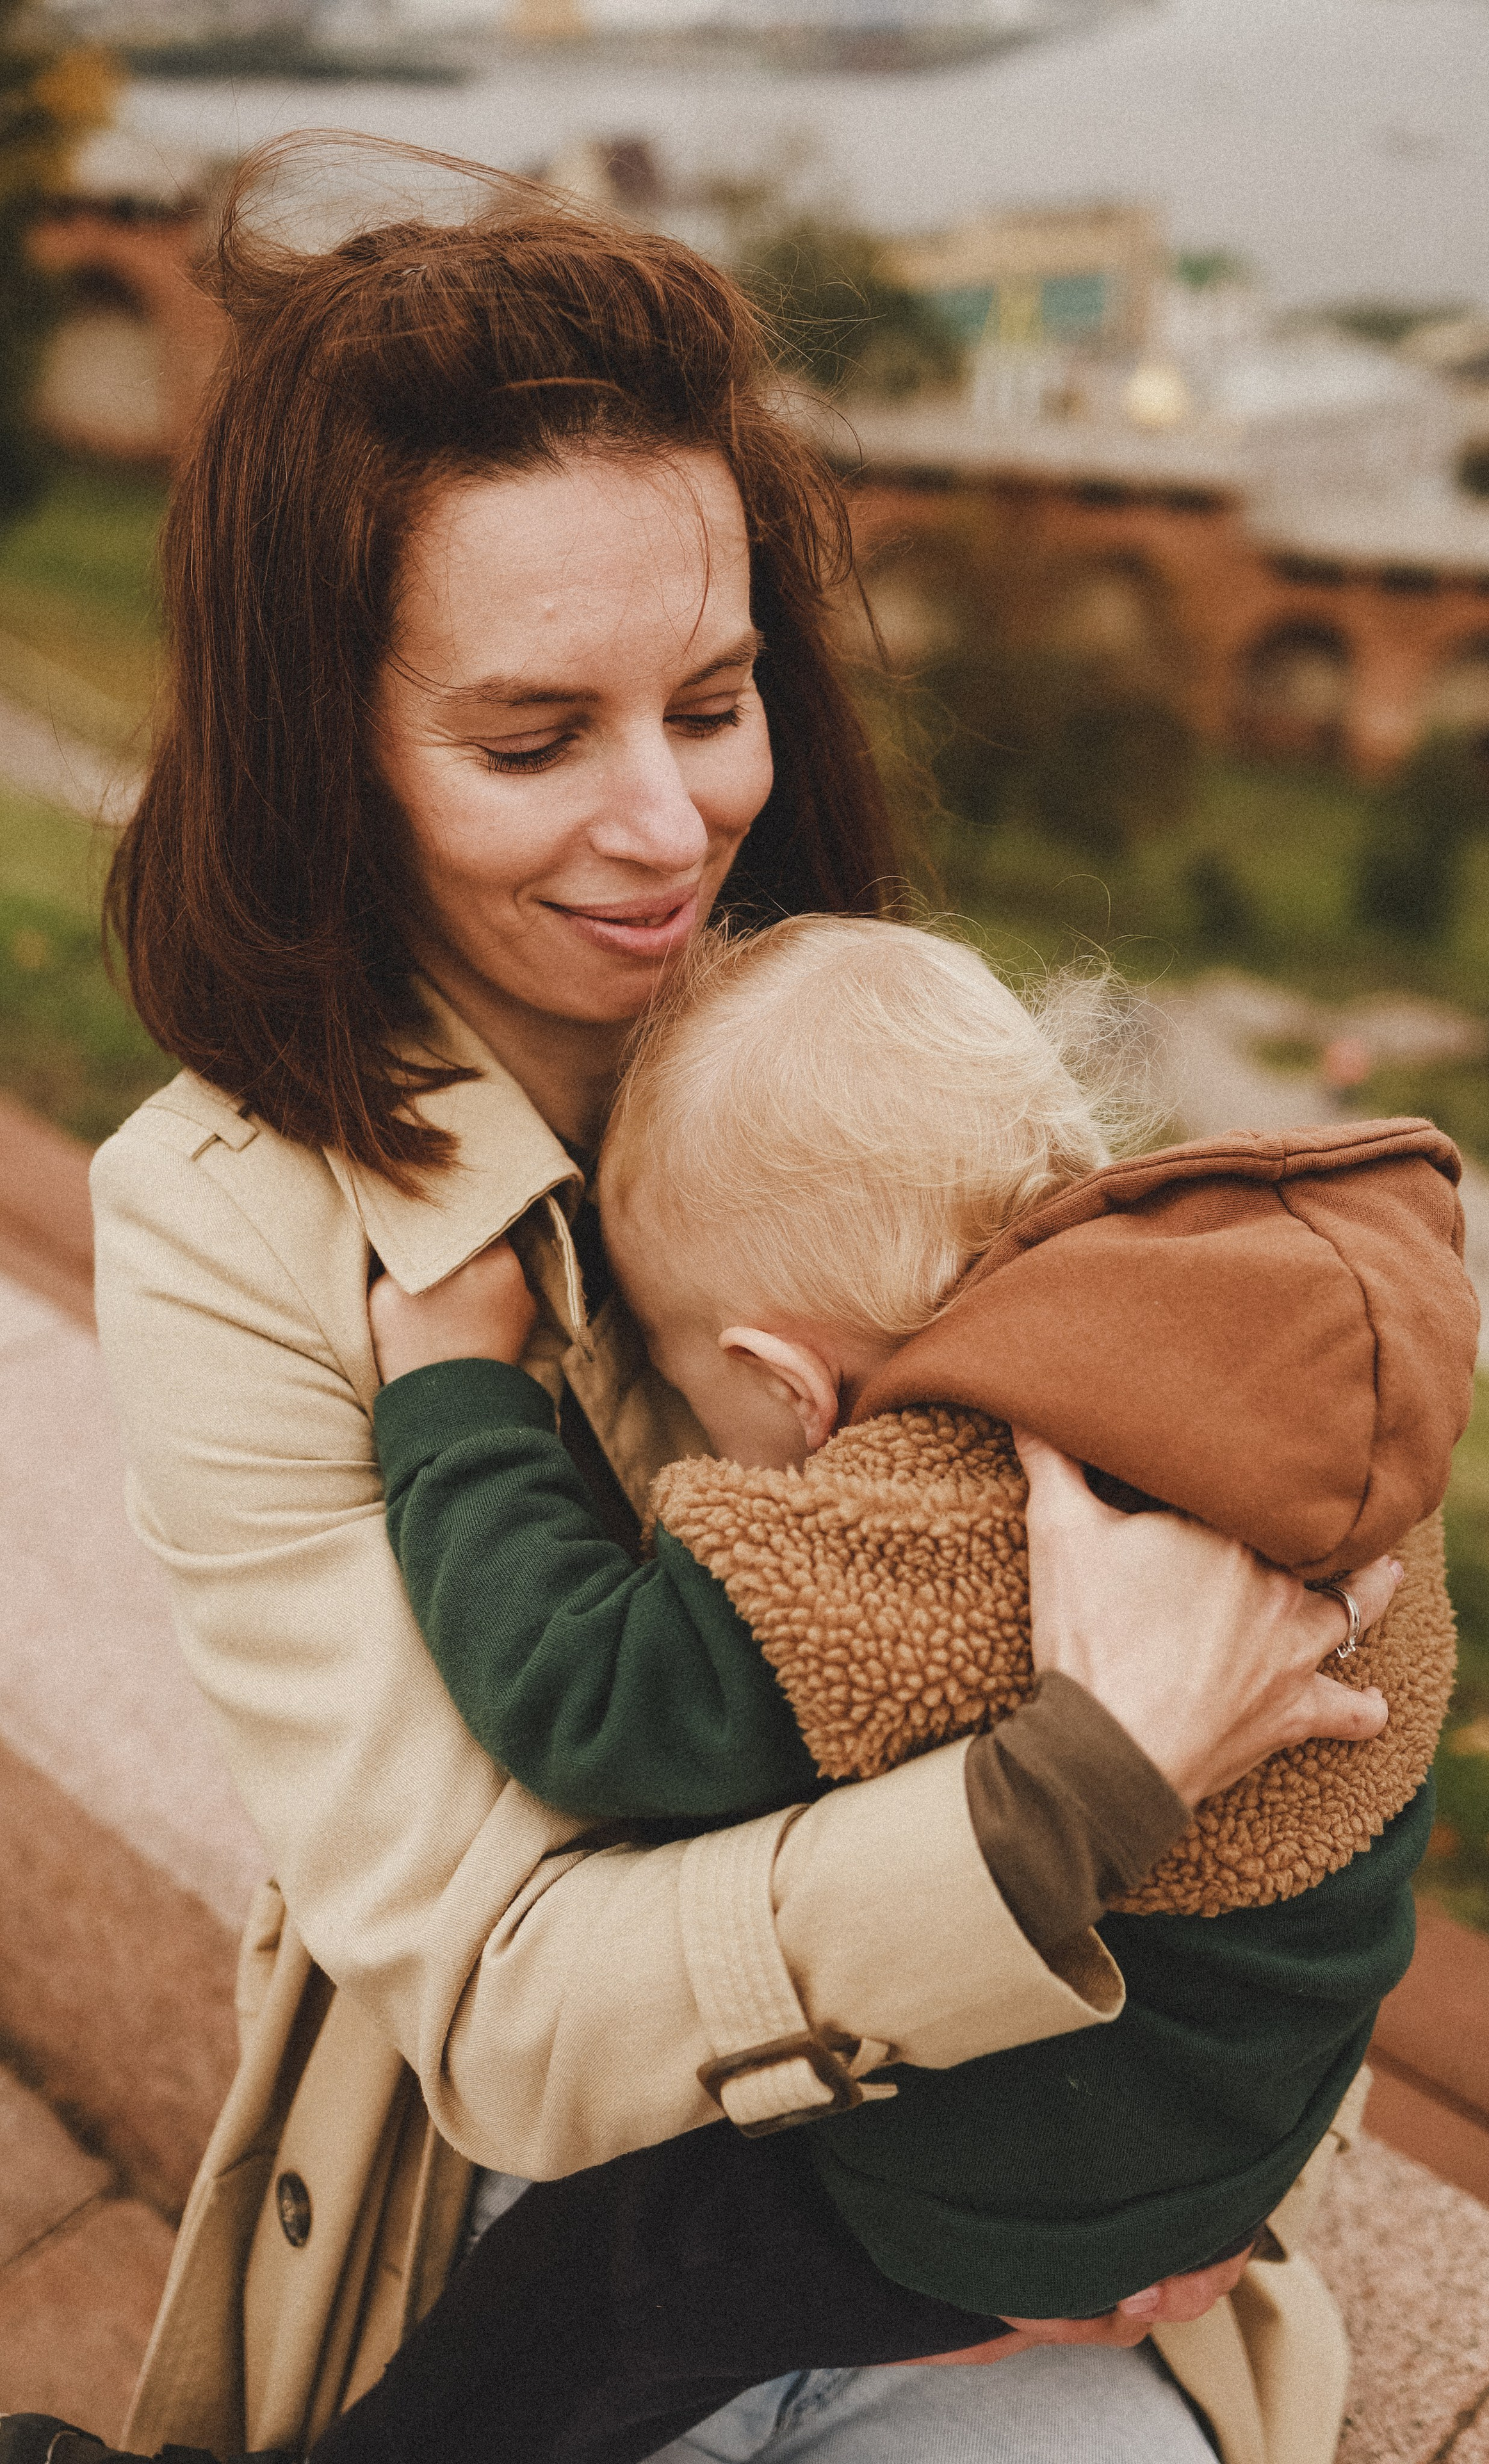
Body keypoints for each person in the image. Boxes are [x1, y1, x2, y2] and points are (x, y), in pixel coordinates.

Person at [8, 136, 1394, 2464]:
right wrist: (1071, 1791)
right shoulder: (239, 1223)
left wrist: (1170, 2163)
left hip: (1016, 2164)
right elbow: (514, 2003)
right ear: (319, 744)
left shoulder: (863, 1044)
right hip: (542, 2216)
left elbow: (1301, 1689)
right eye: (534, 739)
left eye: (717, 700)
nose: (667, 827)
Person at [327, 914, 1471, 2463]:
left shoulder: (935, 1521)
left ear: (785, 1384)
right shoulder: (1247, 1363)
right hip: (1223, 2114)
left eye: (689, 1385)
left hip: (1018, 2184)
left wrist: (454, 1396)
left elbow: (581, 1691)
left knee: (603, 2280)